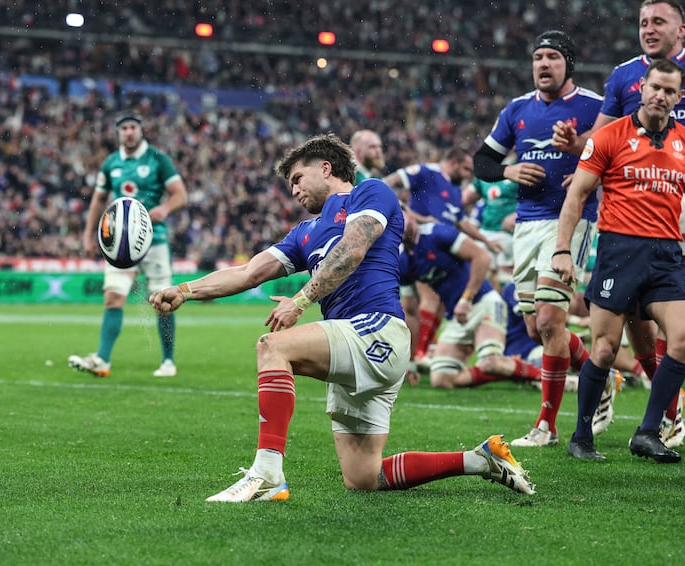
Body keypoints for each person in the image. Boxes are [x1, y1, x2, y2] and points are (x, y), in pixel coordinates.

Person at [148, 133, 535, 502]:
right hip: (353, 339)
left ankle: (266, 473)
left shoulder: (371, 193)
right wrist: (185, 291)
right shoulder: (304, 232)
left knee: (272, 347)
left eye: (298, 178)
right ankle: (481, 459)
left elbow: (353, 250)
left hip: (376, 329)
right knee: (364, 477)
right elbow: (249, 272)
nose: (294, 190)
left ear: (327, 168)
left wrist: (299, 300)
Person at [552, 0, 685, 447]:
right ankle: (643, 412)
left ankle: (660, 419)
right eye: (643, 22)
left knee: (679, 332)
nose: (648, 28)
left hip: (679, 213)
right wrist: (578, 148)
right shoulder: (621, 80)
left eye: (658, 22)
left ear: (681, 30)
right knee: (626, 335)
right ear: (642, 88)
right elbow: (598, 145)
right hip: (624, 226)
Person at [553, 58, 685, 463]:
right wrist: (562, 249)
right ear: (641, 88)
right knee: (605, 350)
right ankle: (581, 435)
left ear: (679, 97)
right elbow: (577, 196)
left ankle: (647, 432)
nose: (660, 95)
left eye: (669, 91)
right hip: (618, 251)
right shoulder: (609, 136)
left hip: (666, 255)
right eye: (654, 87)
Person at [473, 30, 602, 447]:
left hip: (570, 222)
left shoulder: (594, 107)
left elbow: (619, 152)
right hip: (525, 226)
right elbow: (483, 160)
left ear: (568, 64)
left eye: (552, 57)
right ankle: (605, 378)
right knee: (536, 329)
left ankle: (546, 426)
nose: (543, 64)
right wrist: (509, 170)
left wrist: (589, 173)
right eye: (538, 57)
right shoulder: (517, 110)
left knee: (549, 320)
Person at [68, 115, 188, 378]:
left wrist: (166, 208)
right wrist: (89, 235)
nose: (129, 132)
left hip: (155, 240)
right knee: (113, 297)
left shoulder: (158, 159)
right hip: (119, 243)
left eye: (133, 127)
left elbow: (180, 194)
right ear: (118, 133)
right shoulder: (111, 163)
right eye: (124, 128)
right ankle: (102, 360)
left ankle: (168, 361)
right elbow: (98, 200)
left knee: (163, 301)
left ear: (141, 130)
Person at [383, 147, 499, 368]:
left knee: (439, 304)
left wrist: (484, 240)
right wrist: (399, 208)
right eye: (466, 169)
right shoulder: (427, 172)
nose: (467, 175)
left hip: (442, 249)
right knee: (429, 300)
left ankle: (421, 352)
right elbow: (390, 181)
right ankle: (417, 354)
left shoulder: (455, 192)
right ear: (454, 162)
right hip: (418, 245)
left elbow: (461, 222)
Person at [398, 209, 541, 389]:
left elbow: (482, 257)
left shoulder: (437, 233)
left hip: (483, 302)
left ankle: (546, 378)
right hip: (456, 316)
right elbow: (410, 312)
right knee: (441, 380)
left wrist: (466, 299)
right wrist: (410, 360)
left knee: (491, 362)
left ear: (411, 216)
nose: (400, 225)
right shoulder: (401, 261)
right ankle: (516, 370)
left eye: (400, 218)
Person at [462, 165, 519, 292]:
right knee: (482, 274)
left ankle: (507, 306)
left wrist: (519, 213)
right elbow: (464, 199)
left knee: (506, 279)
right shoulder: (483, 177)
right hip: (485, 234)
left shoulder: (519, 167)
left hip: (508, 234)